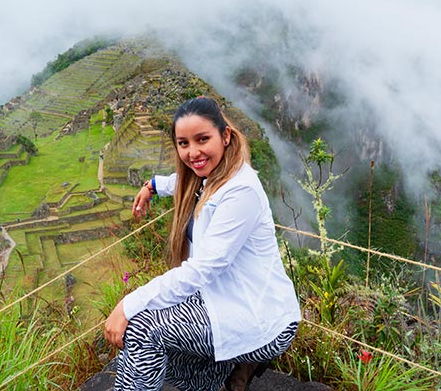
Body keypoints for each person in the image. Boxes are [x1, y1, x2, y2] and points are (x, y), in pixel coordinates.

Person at [104, 97, 301, 391]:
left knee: (142, 329)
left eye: (202, 139)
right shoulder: (209, 177)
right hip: (222, 299)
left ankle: (235, 364)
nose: (192, 152)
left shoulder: (240, 191)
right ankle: (216, 379)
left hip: (259, 314)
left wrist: (128, 304)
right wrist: (152, 186)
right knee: (154, 352)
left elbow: (202, 270)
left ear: (225, 136)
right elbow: (183, 182)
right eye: (183, 143)